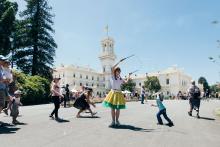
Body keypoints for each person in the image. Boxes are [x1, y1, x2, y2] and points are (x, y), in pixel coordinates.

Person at [103, 59, 131, 127]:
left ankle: (117, 121)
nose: (118, 72)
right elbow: (112, 68)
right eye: (117, 71)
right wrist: (119, 62)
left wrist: (129, 75)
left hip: (119, 93)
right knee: (112, 108)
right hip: (113, 93)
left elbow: (126, 82)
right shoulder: (112, 76)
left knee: (118, 109)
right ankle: (113, 121)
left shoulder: (120, 78)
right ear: (115, 72)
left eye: (119, 72)